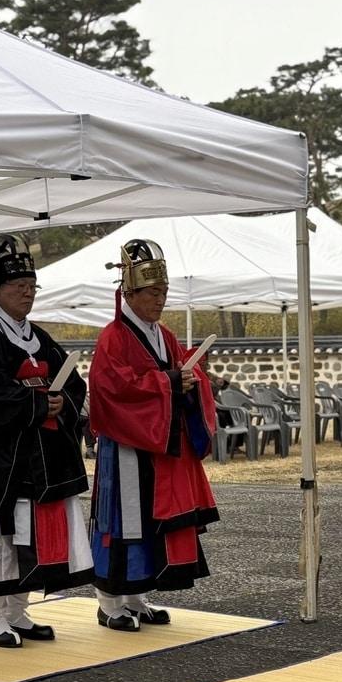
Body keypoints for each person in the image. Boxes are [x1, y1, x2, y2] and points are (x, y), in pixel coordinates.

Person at [0, 235, 93, 650]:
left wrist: (61, 401)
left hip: (42, 458)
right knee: (1, 538)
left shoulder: (41, 338)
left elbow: (74, 383)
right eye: (19, 286)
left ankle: (19, 610)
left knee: (29, 538)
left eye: (32, 286)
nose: (27, 293)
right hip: (4, 458)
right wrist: (35, 403)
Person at [88, 239, 219, 631]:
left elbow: (175, 373)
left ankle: (136, 597)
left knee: (147, 523)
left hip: (157, 446)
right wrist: (169, 382)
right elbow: (111, 388)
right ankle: (109, 602)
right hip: (125, 446)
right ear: (129, 293)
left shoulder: (164, 335)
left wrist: (192, 378)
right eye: (152, 292)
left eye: (164, 292)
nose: (160, 300)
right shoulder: (113, 337)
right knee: (121, 522)